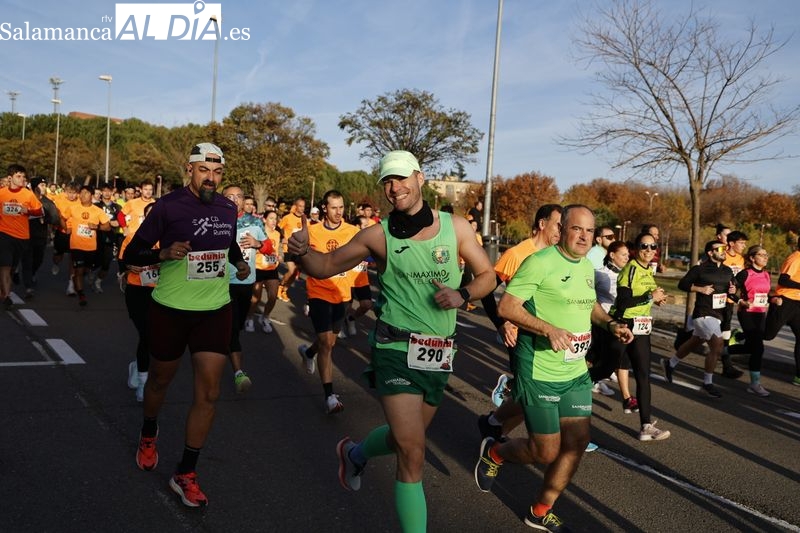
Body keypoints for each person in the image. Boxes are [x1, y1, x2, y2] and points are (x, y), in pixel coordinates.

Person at [289, 150, 494, 533]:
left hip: (439, 353)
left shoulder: (457, 227)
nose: (394, 187)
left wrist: (462, 295)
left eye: (400, 178)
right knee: (413, 452)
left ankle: (354, 454)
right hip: (395, 349)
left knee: (408, 439)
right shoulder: (377, 236)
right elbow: (326, 266)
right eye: (387, 181)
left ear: (420, 178)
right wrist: (300, 253)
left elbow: (487, 275)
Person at [473, 204, 633, 531]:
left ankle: (539, 510)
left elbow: (588, 305)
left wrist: (610, 324)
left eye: (590, 231)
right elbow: (507, 306)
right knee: (545, 452)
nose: (584, 236)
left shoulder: (587, 266)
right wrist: (548, 329)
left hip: (573, 373)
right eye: (577, 229)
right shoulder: (539, 263)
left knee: (574, 446)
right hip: (540, 371)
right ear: (562, 231)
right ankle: (496, 453)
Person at [123, 143, 249, 508]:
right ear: (190, 170)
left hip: (214, 309)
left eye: (218, 172)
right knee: (161, 380)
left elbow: (229, 246)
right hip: (171, 309)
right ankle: (149, 432)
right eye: (204, 171)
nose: (211, 178)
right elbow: (133, 253)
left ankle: (186, 472)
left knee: (208, 393)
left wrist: (238, 263)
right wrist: (162, 253)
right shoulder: (168, 206)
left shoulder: (228, 207)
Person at [476, 204, 562, 440]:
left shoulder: (557, 256)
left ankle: (495, 429)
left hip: (544, 334)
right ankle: (501, 430)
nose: (561, 231)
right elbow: (486, 291)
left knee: (531, 396)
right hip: (520, 335)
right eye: (558, 225)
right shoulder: (516, 254)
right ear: (542, 224)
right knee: (534, 396)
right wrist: (501, 324)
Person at [297, 190, 361, 413]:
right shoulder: (312, 232)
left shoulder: (353, 231)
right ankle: (330, 396)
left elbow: (359, 261)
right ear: (324, 208)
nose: (338, 212)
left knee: (329, 343)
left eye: (341, 207)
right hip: (318, 292)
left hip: (343, 295)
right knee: (327, 344)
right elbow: (300, 257)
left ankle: (308, 353)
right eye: (334, 207)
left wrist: (363, 292)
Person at [609, 233, 670, 440]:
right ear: (636, 248)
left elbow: (647, 297)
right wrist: (649, 297)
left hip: (642, 329)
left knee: (643, 376)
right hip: (623, 327)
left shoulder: (647, 270)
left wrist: (656, 299)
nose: (650, 250)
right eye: (645, 246)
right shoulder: (630, 269)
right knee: (601, 370)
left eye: (653, 246)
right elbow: (624, 303)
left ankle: (645, 426)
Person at [663, 240, 738, 398]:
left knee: (694, 342)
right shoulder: (700, 269)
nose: (725, 251)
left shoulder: (727, 270)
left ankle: (670, 364)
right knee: (717, 345)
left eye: (725, 248)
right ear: (710, 253)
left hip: (718, 315)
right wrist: (700, 288)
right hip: (703, 314)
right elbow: (682, 285)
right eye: (721, 249)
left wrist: (734, 290)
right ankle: (707, 383)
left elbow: (732, 290)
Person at [223, 185, 267, 394]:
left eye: (239, 196)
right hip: (221, 282)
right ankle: (238, 372)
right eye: (229, 196)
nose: (235, 200)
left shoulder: (255, 222)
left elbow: (268, 246)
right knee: (232, 330)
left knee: (237, 326)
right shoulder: (216, 220)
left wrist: (257, 243)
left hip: (245, 282)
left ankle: (225, 347)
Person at [120, 202, 159, 402]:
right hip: (137, 292)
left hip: (162, 293)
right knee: (146, 334)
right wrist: (128, 268)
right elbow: (121, 263)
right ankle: (143, 382)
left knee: (152, 337)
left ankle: (138, 365)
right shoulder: (132, 238)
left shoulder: (168, 240)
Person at [590, 240, 634, 404]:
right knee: (600, 360)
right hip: (603, 323)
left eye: (628, 254)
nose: (627, 257)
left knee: (619, 359)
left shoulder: (628, 275)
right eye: (623, 254)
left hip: (622, 322)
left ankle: (627, 398)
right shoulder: (599, 273)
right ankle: (583, 382)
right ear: (612, 255)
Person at [730, 245, 773, 396]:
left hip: (761, 314)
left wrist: (774, 299)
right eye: (761, 255)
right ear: (752, 258)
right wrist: (740, 301)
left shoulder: (767, 275)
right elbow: (730, 290)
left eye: (766, 255)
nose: (765, 257)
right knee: (758, 348)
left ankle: (724, 350)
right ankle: (754, 384)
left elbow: (765, 295)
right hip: (747, 313)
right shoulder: (745, 274)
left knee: (751, 347)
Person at [0, 165, 42, 307]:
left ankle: (4, 289)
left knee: (12, 267)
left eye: (24, 177)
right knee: (5, 265)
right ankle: (6, 297)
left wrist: (28, 210)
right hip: (4, 234)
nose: (22, 179)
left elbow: (40, 212)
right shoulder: (1, 193)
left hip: (22, 236)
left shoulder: (28, 194)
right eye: (19, 176)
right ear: (10, 178)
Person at [62, 185, 111, 307]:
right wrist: (66, 227)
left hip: (91, 247)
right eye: (81, 193)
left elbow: (107, 226)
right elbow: (62, 218)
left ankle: (80, 279)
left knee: (86, 269)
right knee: (78, 270)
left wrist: (97, 227)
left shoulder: (97, 211)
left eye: (86, 193)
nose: (83, 195)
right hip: (76, 245)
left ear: (92, 195)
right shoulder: (73, 208)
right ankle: (81, 294)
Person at [764, 237, 800, 386]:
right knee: (768, 335)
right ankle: (740, 334)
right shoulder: (796, 257)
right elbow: (783, 280)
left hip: (798, 303)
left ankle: (799, 376)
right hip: (784, 301)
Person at [21, 176, 60, 299]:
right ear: (34, 187)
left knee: (38, 260)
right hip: (25, 235)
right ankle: (28, 287)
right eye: (41, 185)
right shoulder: (25, 199)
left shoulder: (48, 203)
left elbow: (55, 219)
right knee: (27, 260)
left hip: (40, 237)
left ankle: (32, 273)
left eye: (45, 185)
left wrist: (45, 219)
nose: (44, 188)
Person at [246, 209, 282, 334]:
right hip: (258, 268)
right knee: (256, 298)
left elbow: (275, 250)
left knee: (273, 297)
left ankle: (265, 317)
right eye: (271, 218)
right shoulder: (258, 232)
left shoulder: (277, 234)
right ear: (265, 219)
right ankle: (249, 318)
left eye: (275, 218)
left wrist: (277, 257)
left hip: (272, 268)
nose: (274, 221)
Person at [718, 230, 748, 378]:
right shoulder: (721, 255)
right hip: (716, 300)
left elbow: (740, 280)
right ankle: (727, 365)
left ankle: (726, 366)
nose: (744, 246)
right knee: (715, 331)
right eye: (741, 243)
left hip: (729, 301)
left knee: (724, 331)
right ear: (731, 243)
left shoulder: (741, 259)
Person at [93, 183, 123, 293]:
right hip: (96, 237)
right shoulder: (96, 206)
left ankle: (98, 282)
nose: (107, 193)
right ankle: (90, 272)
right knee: (94, 260)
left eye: (109, 191)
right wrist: (109, 223)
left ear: (112, 192)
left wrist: (118, 223)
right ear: (101, 192)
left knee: (106, 262)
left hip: (111, 238)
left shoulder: (117, 207)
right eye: (104, 190)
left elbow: (121, 221)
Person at [277, 197, 306, 303]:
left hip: (299, 249)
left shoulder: (304, 219)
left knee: (295, 273)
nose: (302, 208)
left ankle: (284, 290)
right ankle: (280, 286)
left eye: (304, 206)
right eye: (300, 206)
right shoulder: (288, 217)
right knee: (291, 270)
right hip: (288, 248)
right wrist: (282, 238)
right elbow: (278, 228)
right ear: (295, 206)